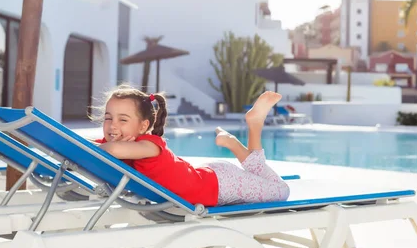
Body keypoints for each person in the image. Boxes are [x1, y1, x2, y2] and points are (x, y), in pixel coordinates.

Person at [91, 85, 290, 206]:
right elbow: (92, 145)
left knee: (281, 191)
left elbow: (112, 150)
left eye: (122, 120)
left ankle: (244, 134)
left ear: (144, 126)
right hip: (211, 178)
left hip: (222, 185)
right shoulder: (118, 144)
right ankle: (251, 126)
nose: (112, 125)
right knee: (262, 177)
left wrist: (90, 149)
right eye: (108, 118)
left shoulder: (149, 146)